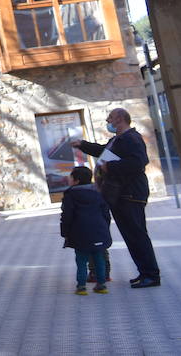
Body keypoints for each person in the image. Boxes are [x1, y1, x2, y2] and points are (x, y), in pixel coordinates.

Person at [71, 107, 161, 287]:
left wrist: (110, 168)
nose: (107, 121)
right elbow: (102, 150)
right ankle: (144, 272)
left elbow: (138, 162)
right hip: (121, 195)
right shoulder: (118, 140)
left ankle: (151, 275)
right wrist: (82, 144)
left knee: (137, 235)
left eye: (110, 117)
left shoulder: (131, 138)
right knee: (131, 236)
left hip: (130, 194)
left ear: (120, 119)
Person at [61, 165, 111, 295]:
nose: (69, 179)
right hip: (98, 231)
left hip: (80, 234)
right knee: (99, 258)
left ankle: (81, 287)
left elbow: (67, 216)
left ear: (76, 181)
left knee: (81, 260)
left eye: (70, 177)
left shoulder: (70, 195)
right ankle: (101, 285)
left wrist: (65, 233)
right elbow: (106, 212)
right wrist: (105, 228)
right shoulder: (98, 192)